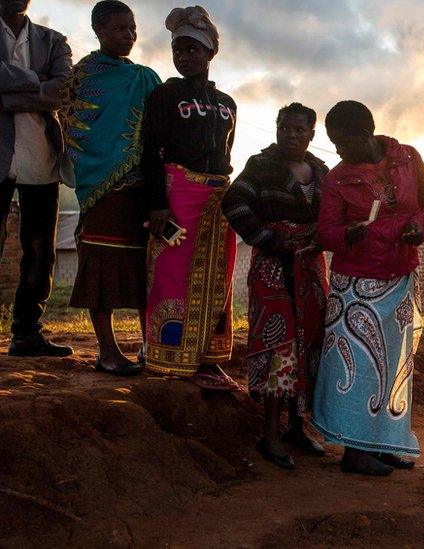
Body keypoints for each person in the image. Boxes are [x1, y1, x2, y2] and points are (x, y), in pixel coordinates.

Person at [312, 101, 424, 476]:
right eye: (333, 142)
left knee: (391, 365)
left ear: (366, 134)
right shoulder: (337, 179)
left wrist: (420, 225)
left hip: (399, 275)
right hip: (356, 284)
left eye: (342, 142)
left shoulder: (408, 158)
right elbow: (325, 232)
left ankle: (383, 444)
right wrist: (345, 235)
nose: (337, 151)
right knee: (357, 369)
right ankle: (353, 453)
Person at [222, 103, 330, 470]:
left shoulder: (321, 171)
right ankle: (270, 434)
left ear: (311, 134)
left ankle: (298, 428)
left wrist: (319, 240)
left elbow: (333, 215)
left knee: (309, 345)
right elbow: (233, 203)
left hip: (311, 270)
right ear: (278, 128)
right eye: (285, 127)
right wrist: (269, 238)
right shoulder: (261, 165)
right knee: (277, 347)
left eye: (300, 129)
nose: (291, 135)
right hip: (272, 267)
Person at [59, 0, 161, 376]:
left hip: (142, 193)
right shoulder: (82, 78)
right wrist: (106, 162)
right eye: (120, 28)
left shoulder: (145, 77)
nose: (129, 35)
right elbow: (73, 130)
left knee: (144, 270)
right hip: (102, 189)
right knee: (101, 268)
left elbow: (158, 131)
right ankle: (107, 351)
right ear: (99, 31)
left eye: (132, 28)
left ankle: (152, 348)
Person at [141, 6, 238, 390]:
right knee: (173, 272)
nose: (183, 56)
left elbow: (228, 154)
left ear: (210, 52)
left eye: (192, 49)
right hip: (177, 192)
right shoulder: (164, 95)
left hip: (218, 200)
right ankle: (168, 357)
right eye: (177, 49)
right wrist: (157, 204)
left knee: (217, 275)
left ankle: (208, 358)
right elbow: (150, 151)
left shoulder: (228, 103)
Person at [0, 0, 72, 357]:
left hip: (42, 157)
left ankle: (26, 334)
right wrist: (34, 83)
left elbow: (63, 92)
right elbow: (48, 90)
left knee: (41, 249)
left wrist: (7, 93)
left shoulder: (53, 40)